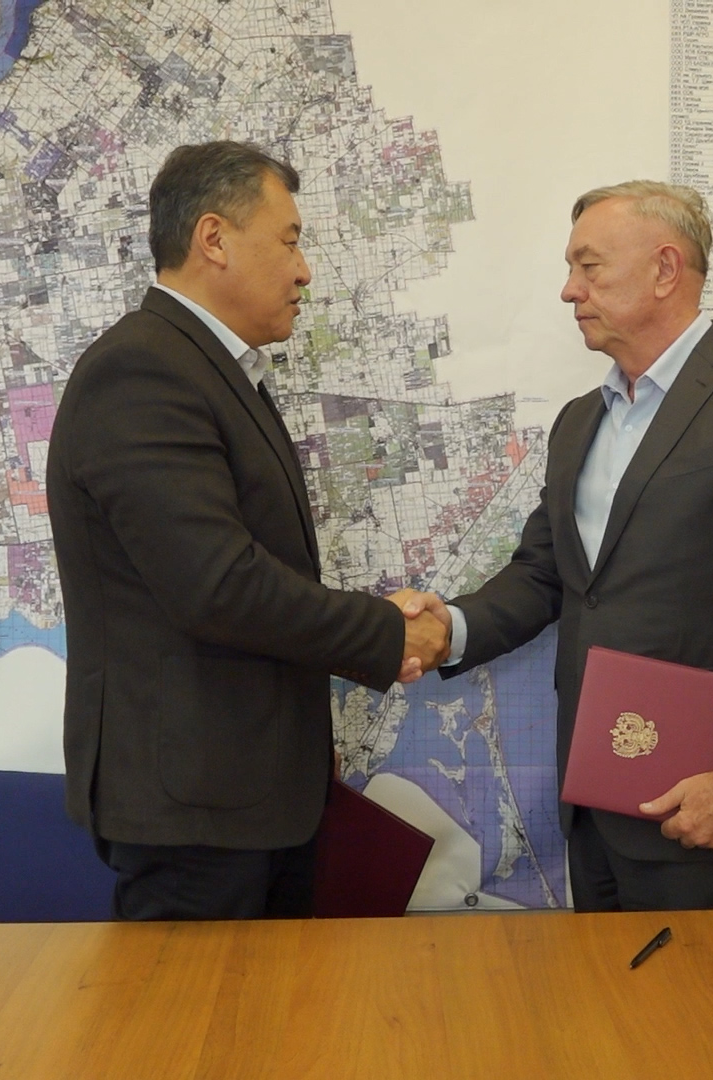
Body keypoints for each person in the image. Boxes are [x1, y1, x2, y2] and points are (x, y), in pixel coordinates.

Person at [401, 181, 713, 911]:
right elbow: (545, 576)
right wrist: (446, 629)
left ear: (664, 269)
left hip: (706, 807)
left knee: (703, 992)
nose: (569, 290)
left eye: (589, 267)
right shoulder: (578, 422)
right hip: (594, 804)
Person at [47, 141, 450, 920]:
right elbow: (219, 586)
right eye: (290, 241)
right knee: (198, 1008)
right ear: (214, 239)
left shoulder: (209, 369)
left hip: (248, 800)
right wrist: (386, 633)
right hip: (195, 814)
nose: (304, 271)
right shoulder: (143, 372)